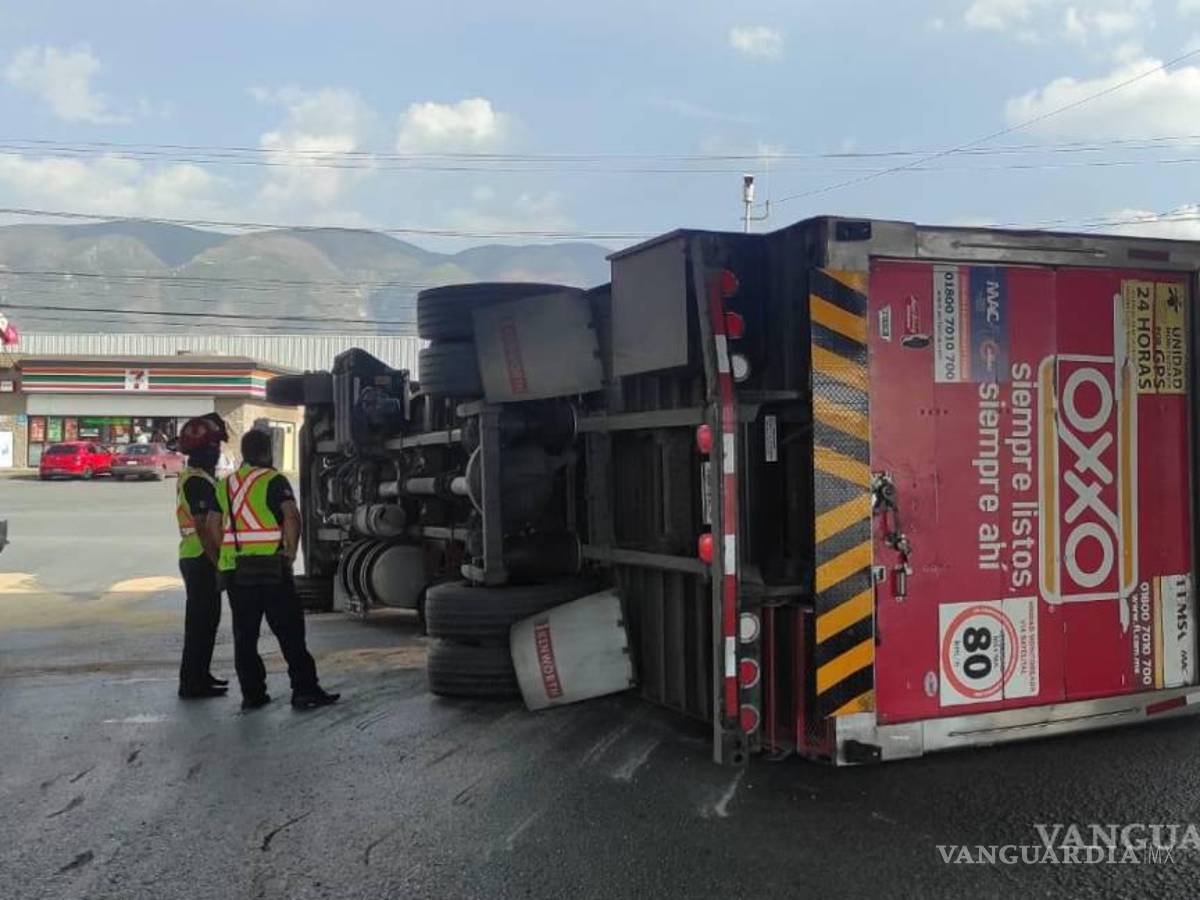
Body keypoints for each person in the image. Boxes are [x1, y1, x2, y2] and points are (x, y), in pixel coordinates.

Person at [219, 428, 339, 712]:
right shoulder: (274, 480)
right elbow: (292, 516)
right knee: (289, 632)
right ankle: (304, 690)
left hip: (238, 571)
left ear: (244, 453)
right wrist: (291, 550)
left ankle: (253, 695)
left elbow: (213, 523)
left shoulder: (224, 485)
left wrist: (221, 559)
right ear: (267, 451)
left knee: (245, 636)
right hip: (272, 569)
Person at [175, 414, 232, 699]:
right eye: (216, 446)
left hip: (195, 557)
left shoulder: (200, 478)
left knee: (206, 622)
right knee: (200, 623)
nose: (219, 451)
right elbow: (202, 526)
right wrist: (218, 562)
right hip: (200, 559)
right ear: (207, 450)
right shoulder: (198, 482)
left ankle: (200, 675)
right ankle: (192, 683)